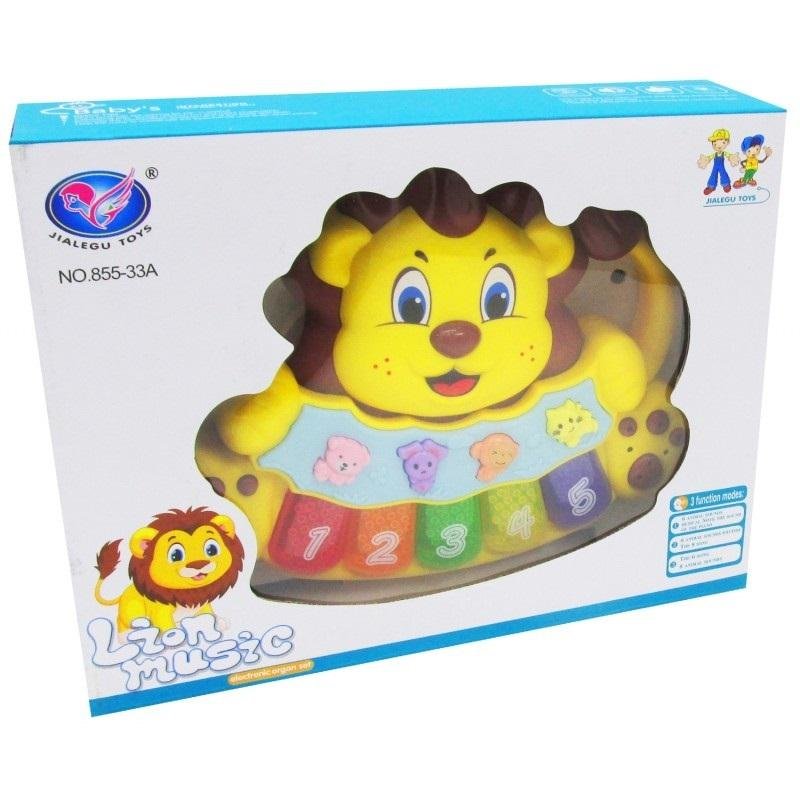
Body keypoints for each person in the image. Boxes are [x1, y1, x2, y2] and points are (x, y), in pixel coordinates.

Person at [697, 128, 740, 195]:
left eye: (723, 143)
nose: (718, 146)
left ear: (727, 142)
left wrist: (732, 158)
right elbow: (709, 158)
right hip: (715, 167)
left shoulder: (724, 153)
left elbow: (729, 156)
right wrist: (705, 160)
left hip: (721, 166)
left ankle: (726, 184)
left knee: (723, 173)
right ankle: (711, 186)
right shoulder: (715, 154)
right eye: (715, 144)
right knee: (713, 174)